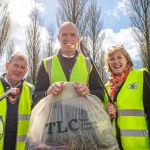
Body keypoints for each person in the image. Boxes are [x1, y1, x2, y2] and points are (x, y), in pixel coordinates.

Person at [32, 21, 104, 106]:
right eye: (64, 35)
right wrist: (47, 92)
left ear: (78, 39)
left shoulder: (89, 63)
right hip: (55, 118)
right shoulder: (46, 64)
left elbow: (101, 95)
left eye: (73, 35)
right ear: (59, 38)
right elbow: (35, 97)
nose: (68, 38)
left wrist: (89, 92)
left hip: (83, 118)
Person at [103, 45, 150, 150]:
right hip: (116, 146)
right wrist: (107, 114)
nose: (116, 62)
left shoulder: (141, 75)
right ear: (109, 63)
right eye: (112, 59)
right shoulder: (106, 88)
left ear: (127, 59)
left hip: (140, 146)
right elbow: (103, 123)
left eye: (119, 57)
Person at [0, 52, 34, 150]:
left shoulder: (31, 91)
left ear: (26, 71)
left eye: (22, 67)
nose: (19, 70)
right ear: (7, 65)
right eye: (16, 65)